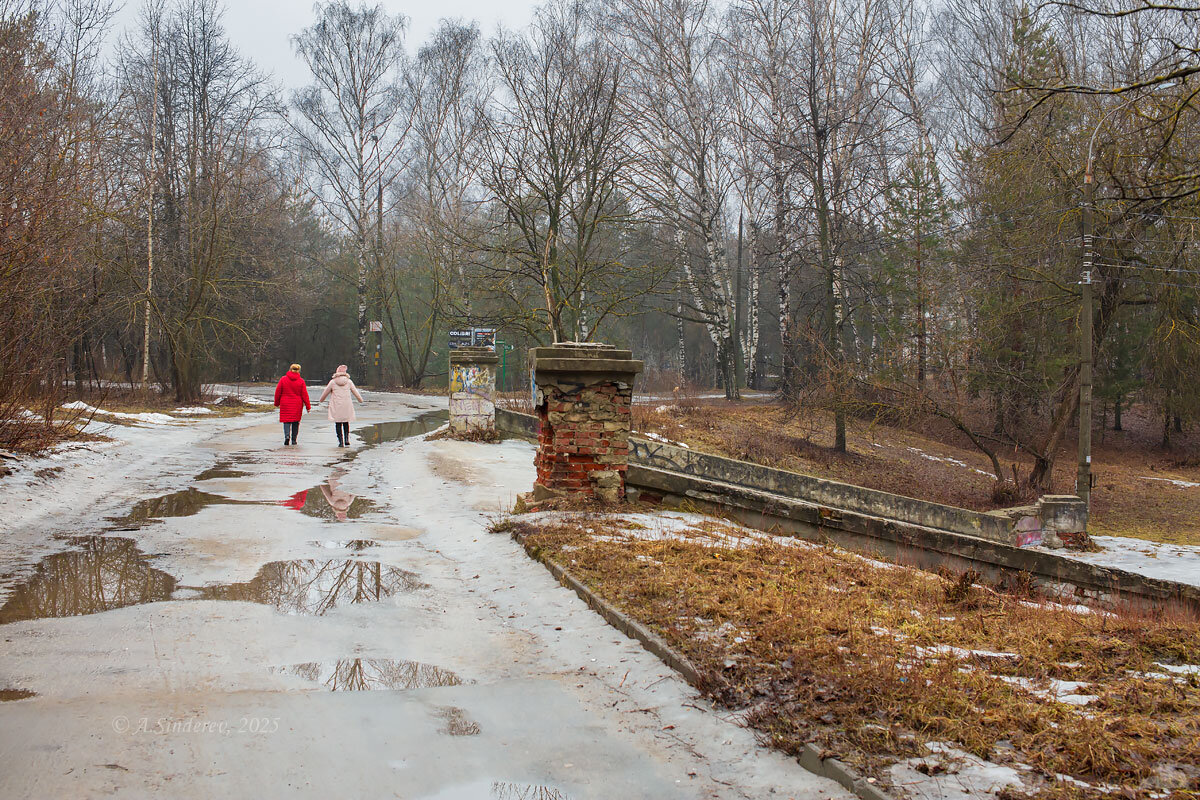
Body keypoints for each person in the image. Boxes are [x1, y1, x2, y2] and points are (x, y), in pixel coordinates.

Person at [318, 364, 365, 447]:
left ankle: (340, 441)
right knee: (346, 422)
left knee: (338, 423)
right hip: (347, 404)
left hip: (336, 405)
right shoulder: (349, 382)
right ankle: (347, 439)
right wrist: (360, 400)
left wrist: (321, 400)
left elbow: (325, 392)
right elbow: (355, 392)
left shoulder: (332, 382)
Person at [274, 363, 311, 445]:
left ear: (290, 369)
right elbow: (305, 395)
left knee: (286, 421)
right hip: (297, 404)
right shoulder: (301, 381)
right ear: (299, 371)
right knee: (295, 422)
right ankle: (294, 440)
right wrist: (308, 406)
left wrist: (276, 403)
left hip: (285, 403)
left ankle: (287, 436)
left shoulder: (283, 379)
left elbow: (278, 392)